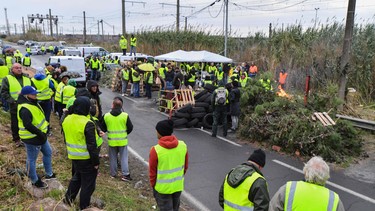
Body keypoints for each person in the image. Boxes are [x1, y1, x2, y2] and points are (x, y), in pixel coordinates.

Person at [62, 96, 100, 210]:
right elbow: (92, 146)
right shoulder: (87, 123)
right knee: (87, 186)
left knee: (76, 178)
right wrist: (96, 162)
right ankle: (84, 207)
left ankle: (68, 200)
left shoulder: (67, 119)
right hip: (86, 158)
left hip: (73, 156)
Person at [269, 156, 345, 211]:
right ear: (326, 177)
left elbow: (273, 208)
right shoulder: (334, 199)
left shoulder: (289, 189)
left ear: (305, 172)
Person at [17, 86, 55, 189]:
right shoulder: (25, 108)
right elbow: (28, 125)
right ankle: (34, 180)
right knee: (31, 159)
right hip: (32, 138)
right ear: (26, 96)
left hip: (40, 136)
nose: (36, 95)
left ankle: (49, 173)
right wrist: (40, 133)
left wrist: (43, 132)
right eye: (33, 94)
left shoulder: (33, 103)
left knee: (48, 152)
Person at [149, 119, 189, 211]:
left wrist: (153, 185)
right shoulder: (183, 146)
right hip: (177, 186)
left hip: (162, 189)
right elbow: (185, 167)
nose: (156, 132)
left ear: (160, 132)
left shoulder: (155, 150)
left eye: (157, 130)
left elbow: (152, 172)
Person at [1, 63, 34, 147]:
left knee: (27, 121)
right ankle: (16, 139)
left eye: (20, 68)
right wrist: (12, 101)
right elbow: (4, 92)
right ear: (12, 69)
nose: (19, 69)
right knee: (15, 122)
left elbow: (33, 89)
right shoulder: (7, 79)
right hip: (15, 105)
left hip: (28, 104)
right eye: (16, 68)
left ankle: (27, 138)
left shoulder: (27, 78)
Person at [102, 97, 134, 181]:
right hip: (122, 141)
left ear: (112, 105)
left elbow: (103, 128)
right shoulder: (125, 115)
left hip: (112, 141)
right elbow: (130, 127)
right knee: (124, 158)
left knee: (113, 158)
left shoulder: (106, 116)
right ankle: (125, 174)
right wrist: (125, 133)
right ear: (121, 106)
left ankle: (113, 173)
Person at [31, 68, 55, 135]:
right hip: (46, 101)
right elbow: (53, 88)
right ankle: (47, 131)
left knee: (38, 116)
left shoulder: (32, 80)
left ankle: (39, 129)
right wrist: (50, 95)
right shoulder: (47, 80)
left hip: (36, 101)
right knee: (46, 116)